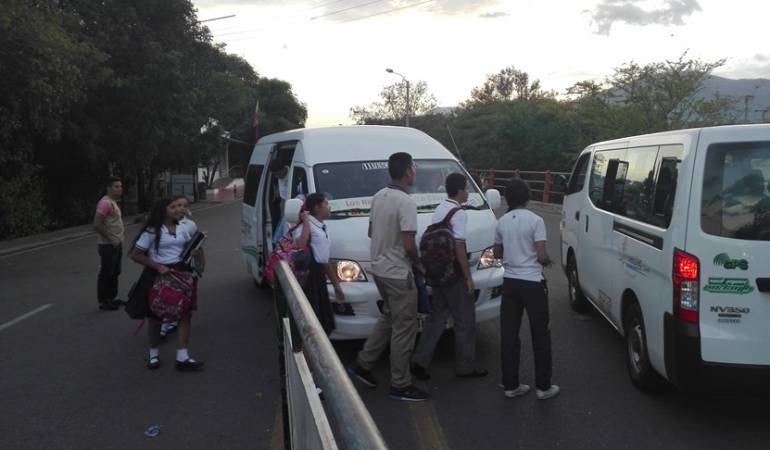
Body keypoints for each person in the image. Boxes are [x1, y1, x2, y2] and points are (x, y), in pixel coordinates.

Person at [347, 152, 430, 402]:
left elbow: (373, 232)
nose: (415, 171)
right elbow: (408, 242)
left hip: (380, 270)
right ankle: (400, 384)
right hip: (398, 274)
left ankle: (363, 364)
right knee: (404, 328)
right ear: (407, 172)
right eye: (414, 167)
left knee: (389, 318)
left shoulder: (378, 197)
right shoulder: (406, 202)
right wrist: (418, 263)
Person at [411, 173, 487, 380]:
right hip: (453, 275)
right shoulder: (459, 213)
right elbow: (459, 247)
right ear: (460, 190)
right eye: (467, 188)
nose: (468, 192)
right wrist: (468, 277)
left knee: (436, 319)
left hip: (437, 274)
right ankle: (465, 366)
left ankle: (420, 361)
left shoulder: (440, 209)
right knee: (464, 321)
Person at [494, 179, 559, 400]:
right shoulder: (536, 220)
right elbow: (541, 256)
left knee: (509, 334)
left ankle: (511, 385)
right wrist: (548, 262)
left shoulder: (501, 222)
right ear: (527, 197)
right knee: (540, 333)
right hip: (532, 282)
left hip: (510, 282)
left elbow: (497, 254)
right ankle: (543, 386)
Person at [130, 198, 203, 372]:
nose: (178, 209)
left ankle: (182, 357)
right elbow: (136, 254)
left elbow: (188, 249)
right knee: (155, 317)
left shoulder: (184, 228)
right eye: (173, 207)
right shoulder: (152, 231)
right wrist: (158, 266)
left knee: (185, 314)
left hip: (181, 273)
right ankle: (153, 354)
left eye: (179, 206)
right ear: (163, 210)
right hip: (158, 276)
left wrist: (195, 252)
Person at [291, 192, 346, 335]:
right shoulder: (305, 225)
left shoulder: (321, 226)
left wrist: (336, 286)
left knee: (321, 321)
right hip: (308, 278)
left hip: (318, 276)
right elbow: (301, 245)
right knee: (311, 322)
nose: (329, 207)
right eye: (326, 203)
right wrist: (307, 224)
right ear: (317, 208)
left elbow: (324, 260)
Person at [159, 195, 203, 339]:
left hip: (185, 267)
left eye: (184, 205)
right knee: (167, 297)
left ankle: (173, 323)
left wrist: (200, 262)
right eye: (177, 205)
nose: (181, 208)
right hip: (168, 267)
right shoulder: (162, 226)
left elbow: (197, 244)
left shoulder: (190, 225)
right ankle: (163, 327)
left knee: (180, 300)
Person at [93, 177, 125, 311]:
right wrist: (111, 239)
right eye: (116, 186)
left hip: (116, 243)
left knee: (115, 272)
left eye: (120, 186)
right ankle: (103, 301)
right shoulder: (105, 203)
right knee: (106, 272)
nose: (119, 188)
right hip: (108, 245)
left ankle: (112, 298)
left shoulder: (113, 202)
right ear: (109, 188)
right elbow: (97, 225)